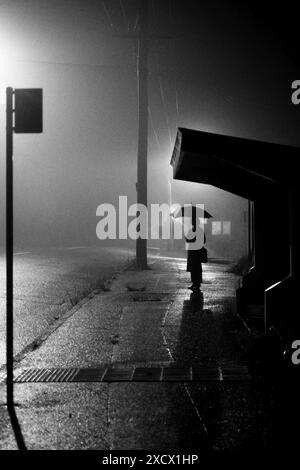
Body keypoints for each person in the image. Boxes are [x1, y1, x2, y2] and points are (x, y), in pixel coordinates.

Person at [185, 221, 206, 292]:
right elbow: (188, 240)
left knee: (196, 268)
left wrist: (194, 239)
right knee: (193, 268)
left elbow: (203, 240)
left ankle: (197, 284)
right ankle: (194, 283)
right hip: (192, 251)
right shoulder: (192, 230)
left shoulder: (199, 231)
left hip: (196, 252)